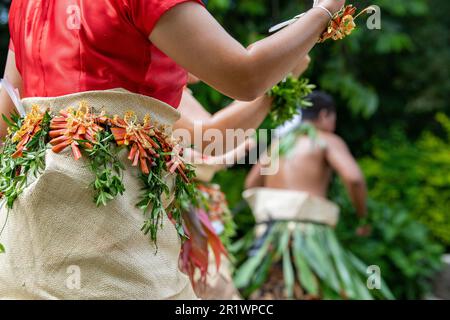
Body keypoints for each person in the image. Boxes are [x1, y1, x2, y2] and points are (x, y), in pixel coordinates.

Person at [0, 0, 345, 299]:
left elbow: (6, 119)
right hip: (112, 234)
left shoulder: (25, 5)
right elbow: (244, 77)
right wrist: (323, 13)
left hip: (31, 237)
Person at [239, 91, 392, 299]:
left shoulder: (278, 144)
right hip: (307, 236)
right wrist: (361, 215)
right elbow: (354, 178)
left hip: (268, 234)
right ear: (324, 115)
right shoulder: (326, 140)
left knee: (271, 293)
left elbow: (250, 184)